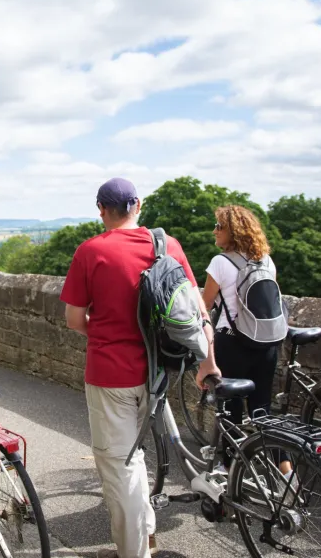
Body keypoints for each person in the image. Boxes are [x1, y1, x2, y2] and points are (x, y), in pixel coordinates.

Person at [60, 178, 217, 558]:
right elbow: (197, 309)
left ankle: (134, 554)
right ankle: (146, 535)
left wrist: (104, 332)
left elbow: (74, 319)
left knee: (120, 466)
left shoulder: (91, 251)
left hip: (110, 374)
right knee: (137, 456)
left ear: (101, 209)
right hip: (159, 374)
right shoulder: (167, 245)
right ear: (138, 205)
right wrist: (208, 362)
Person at [198, 205, 290, 474]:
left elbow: (205, 306)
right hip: (267, 344)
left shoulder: (221, 262)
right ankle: (287, 474)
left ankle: (231, 475)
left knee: (230, 413)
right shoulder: (266, 261)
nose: (214, 231)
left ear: (233, 231)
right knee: (262, 410)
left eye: (219, 226)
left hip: (232, 343)